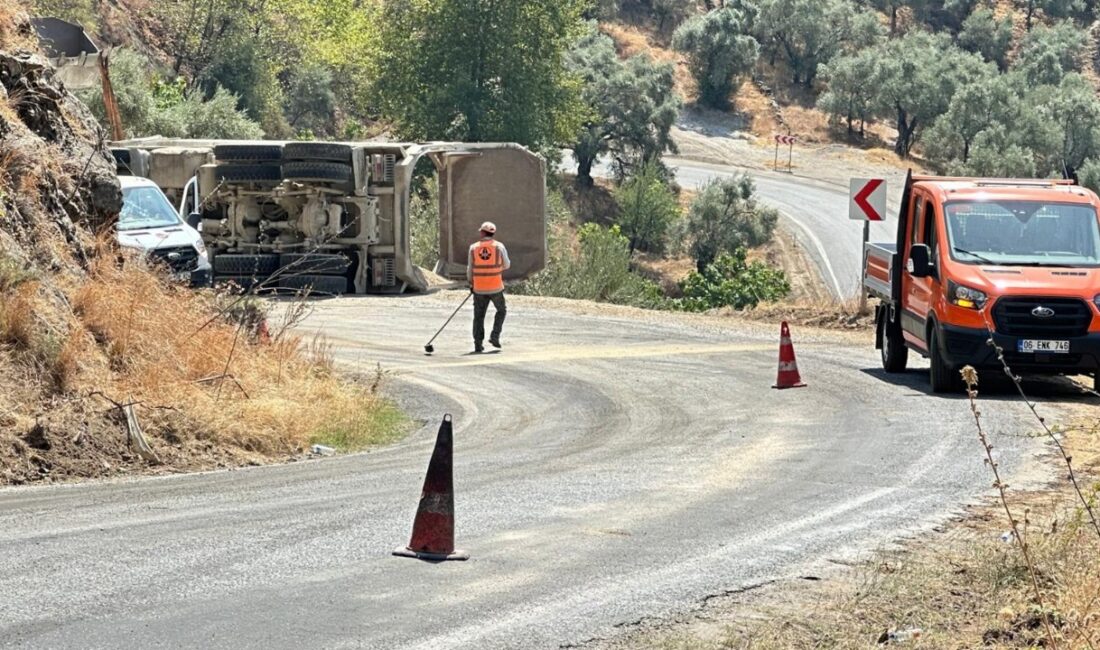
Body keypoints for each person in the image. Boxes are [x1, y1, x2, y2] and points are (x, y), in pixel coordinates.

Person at [467, 221, 510, 353]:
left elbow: (470, 269)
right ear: (493, 233)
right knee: (501, 310)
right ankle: (495, 335)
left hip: (479, 288)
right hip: (496, 287)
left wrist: (471, 283)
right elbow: (507, 265)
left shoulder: (474, 248)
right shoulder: (499, 247)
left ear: (482, 232)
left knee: (479, 316)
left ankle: (478, 344)